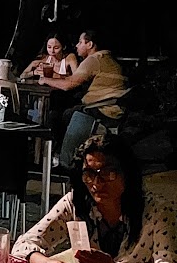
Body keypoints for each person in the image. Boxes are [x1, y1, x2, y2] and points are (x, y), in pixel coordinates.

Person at [13, 133, 177, 263]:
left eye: (108, 173)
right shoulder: (75, 204)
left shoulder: (157, 211)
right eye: (89, 174)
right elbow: (22, 245)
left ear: (127, 174)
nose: (97, 183)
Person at [36, 29, 128, 167]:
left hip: (103, 109)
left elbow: (69, 84)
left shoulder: (94, 59)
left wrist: (45, 80)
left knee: (57, 116)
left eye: (80, 42)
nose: (77, 45)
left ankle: (63, 160)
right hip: (111, 106)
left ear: (89, 44)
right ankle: (61, 155)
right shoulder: (107, 58)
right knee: (65, 112)